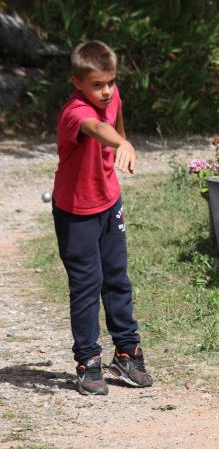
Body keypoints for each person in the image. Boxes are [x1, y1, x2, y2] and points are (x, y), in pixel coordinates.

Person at [52, 40, 153, 396]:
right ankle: (87, 361)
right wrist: (120, 143)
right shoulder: (75, 113)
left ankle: (127, 351)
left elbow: (116, 123)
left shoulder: (112, 96)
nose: (107, 91)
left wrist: (123, 143)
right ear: (77, 82)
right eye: (97, 84)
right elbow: (98, 129)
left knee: (117, 278)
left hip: (110, 203)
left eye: (111, 82)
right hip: (76, 212)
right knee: (86, 286)